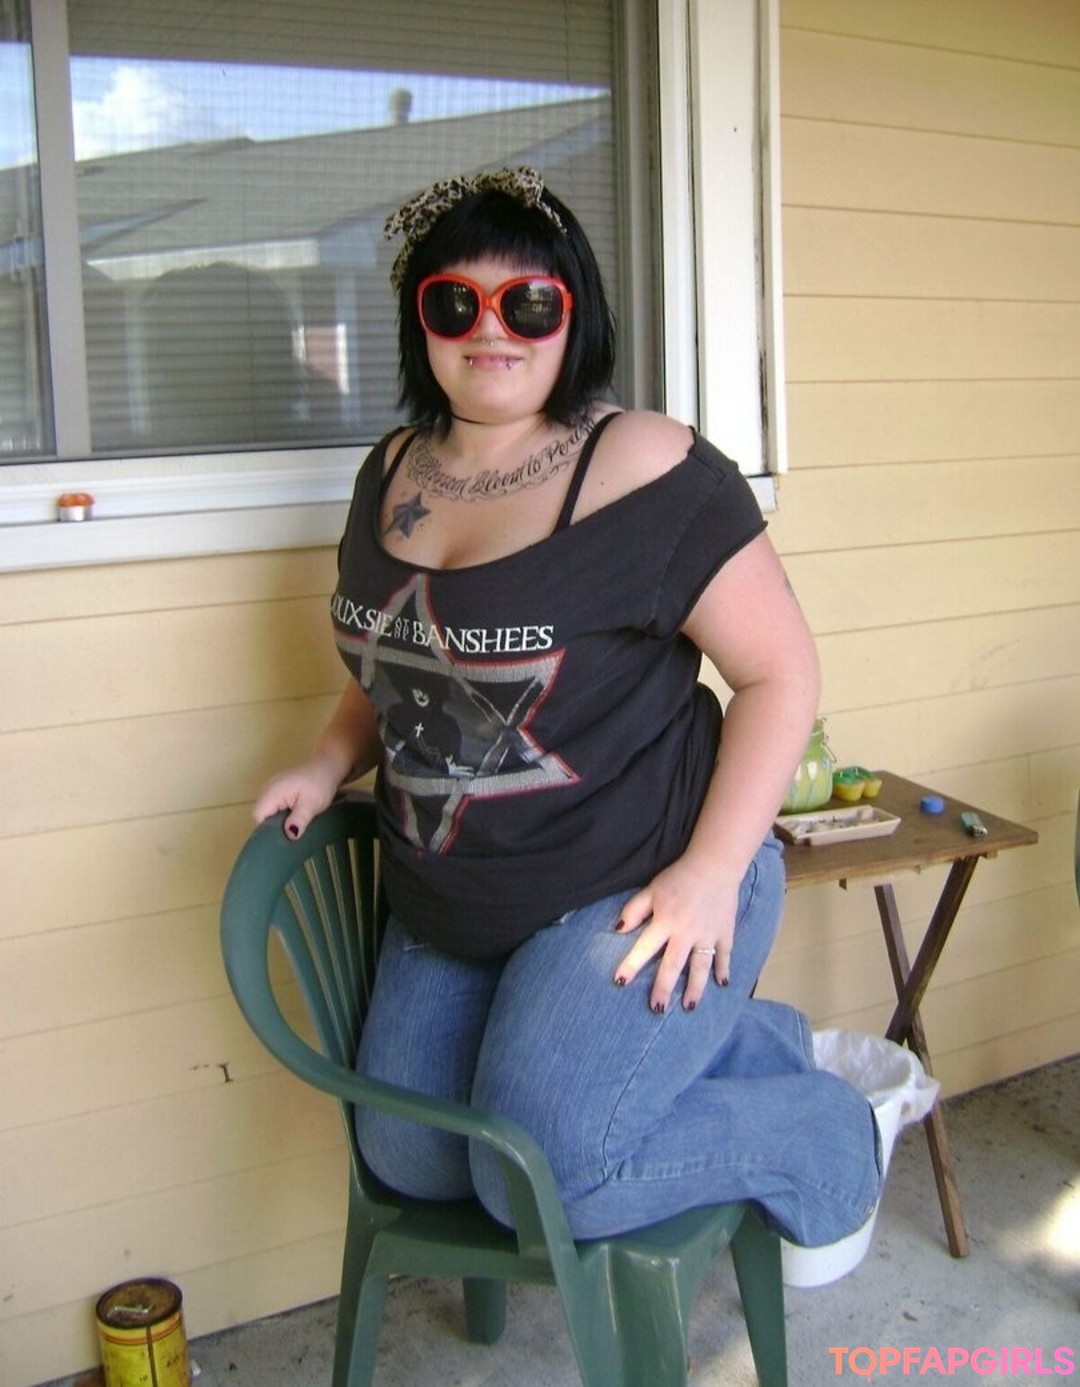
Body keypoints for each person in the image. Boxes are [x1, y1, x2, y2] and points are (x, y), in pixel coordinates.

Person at [254, 167, 881, 1246]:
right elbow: (399, 657)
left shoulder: (644, 464)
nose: (490, 329)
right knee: (409, 1156)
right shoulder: (391, 470)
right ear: (419, 320)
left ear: (572, 315)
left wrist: (710, 874)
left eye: (528, 303)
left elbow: (782, 674)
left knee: (541, 1180)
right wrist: (326, 758)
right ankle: (726, 1044)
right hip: (452, 904)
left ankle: (826, 1132)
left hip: (633, 884)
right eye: (455, 301)